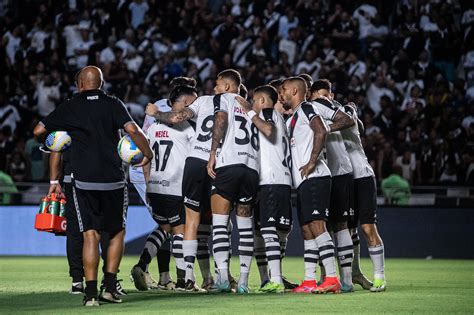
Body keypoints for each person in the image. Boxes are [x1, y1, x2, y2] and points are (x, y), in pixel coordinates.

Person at [33, 66, 153, 306]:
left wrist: (54, 140)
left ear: (79, 84)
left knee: (90, 234)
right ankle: (109, 287)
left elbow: (38, 130)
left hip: (82, 180)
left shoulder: (70, 106)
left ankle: (89, 294)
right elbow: (133, 130)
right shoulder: (113, 103)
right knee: (117, 231)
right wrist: (147, 153)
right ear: (101, 83)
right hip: (114, 180)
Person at [129, 77, 197, 291]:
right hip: (175, 185)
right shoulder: (187, 128)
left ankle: (143, 265)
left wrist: (148, 184)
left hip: (154, 185)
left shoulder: (152, 127)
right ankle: (185, 280)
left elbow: (146, 158)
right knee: (180, 231)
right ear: (185, 102)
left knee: (164, 228)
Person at [279, 77, 341, 293]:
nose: (281, 94)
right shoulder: (292, 118)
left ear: (295, 90)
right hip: (303, 181)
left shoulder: (306, 108)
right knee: (307, 230)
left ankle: (332, 278)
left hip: (316, 176)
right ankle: (309, 280)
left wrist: (312, 161)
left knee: (317, 226)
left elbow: (321, 130)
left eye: (283, 90)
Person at [207, 69, 259, 294]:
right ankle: (245, 282)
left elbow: (220, 118)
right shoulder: (251, 107)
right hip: (251, 168)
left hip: (228, 164)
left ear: (227, 87)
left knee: (220, 223)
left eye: (217, 85)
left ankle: (223, 279)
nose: (214, 89)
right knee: (245, 226)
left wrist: (212, 153)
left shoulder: (223, 99)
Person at [235, 85, 291, 293]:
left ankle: (275, 279)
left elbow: (268, 131)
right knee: (272, 232)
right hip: (280, 181)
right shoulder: (281, 119)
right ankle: (272, 278)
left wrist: (248, 111)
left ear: (261, 101)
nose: (252, 104)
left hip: (271, 181)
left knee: (268, 232)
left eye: (254, 101)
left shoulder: (268, 113)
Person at [309, 79, 356, 292]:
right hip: (327, 172)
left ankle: (346, 279)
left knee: (340, 225)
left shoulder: (325, 105)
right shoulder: (310, 109)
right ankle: (328, 275)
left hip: (339, 170)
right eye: (321, 94)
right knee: (325, 226)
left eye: (326, 95)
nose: (325, 98)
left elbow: (351, 122)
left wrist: (325, 127)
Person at [341, 103, 387, 292]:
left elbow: (354, 123)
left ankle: (380, 277)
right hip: (344, 179)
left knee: (367, 227)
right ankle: (355, 272)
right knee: (348, 230)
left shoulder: (345, 110)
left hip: (363, 176)